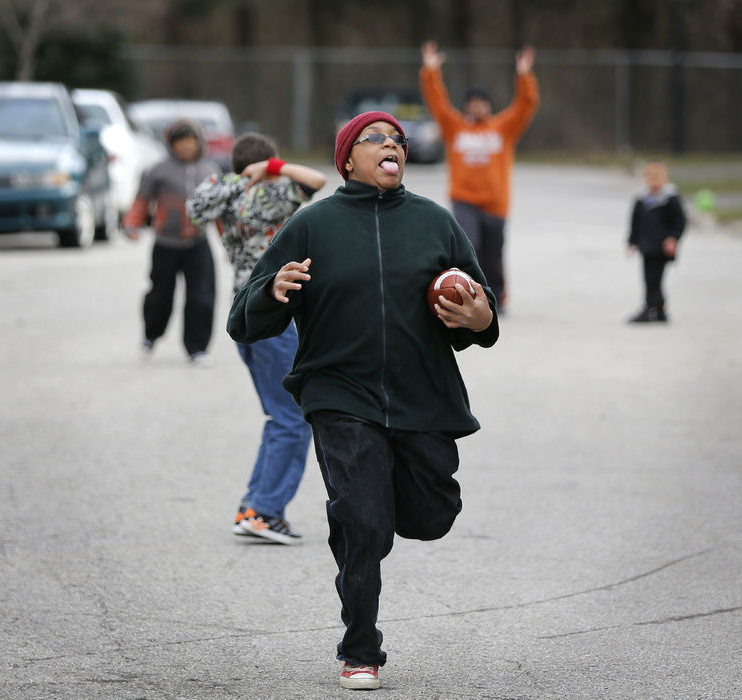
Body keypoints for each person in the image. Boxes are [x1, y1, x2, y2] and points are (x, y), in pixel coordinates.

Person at [227, 111, 499, 690]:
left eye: (398, 139)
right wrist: (273, 293)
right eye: (376, 139)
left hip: (423, 398)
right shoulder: (311, 226)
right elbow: (243, 319)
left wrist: (480, 315)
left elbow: (481, 310)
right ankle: (361, 647)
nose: (392, 144)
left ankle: (364, 509)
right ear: (347, 158)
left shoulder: (435, 224)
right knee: (365, 523)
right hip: (339, 394)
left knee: (431, 517)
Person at [186, 133, 326, 543]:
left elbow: (194, 206)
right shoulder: (268, 195)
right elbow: (317, 180)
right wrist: (274, 170)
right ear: (267, 164)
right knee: (293, 417)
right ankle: (265, 512)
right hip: (272, 313)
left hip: (243, 313)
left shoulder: (223, 193)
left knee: (278, 415)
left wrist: (237, 177)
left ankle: (254, 505)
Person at [419, 40, 540, 314]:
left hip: (495, 203)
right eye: (472, 103)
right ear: (466, 106)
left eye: (481, 102)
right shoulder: (455, 127)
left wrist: (524, 75)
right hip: (464, 201)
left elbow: (525, 105)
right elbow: (437, 102)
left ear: (489, 105)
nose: (477, 107)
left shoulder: (503, 128)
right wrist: (430, 72)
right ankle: (465, 291)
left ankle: (497, 295)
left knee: (493, 254)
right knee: (468, 244)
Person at [122, 119, 219, 365]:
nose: (186, 147)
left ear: (199, 144)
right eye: (181, 143)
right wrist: (132, 224)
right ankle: (151, 335)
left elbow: (220, 211)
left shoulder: (210, 171)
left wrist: (231, 244)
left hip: (197, 243)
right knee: (160, 296)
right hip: (166, 244)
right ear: (171, 145)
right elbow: (142, 201)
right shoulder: (158, 170)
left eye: (191, 142)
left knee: (202, 297)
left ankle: (197, 348)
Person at [626, 161, 687, 323]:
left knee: (656, 278)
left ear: (665, 179)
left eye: (657, 178)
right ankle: (658, 309)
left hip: (662, 247)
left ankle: (650, 308)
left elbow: (679, 222)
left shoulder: (670, 199)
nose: (654, 182)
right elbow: (635, 223)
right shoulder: (642, 199)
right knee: (648, 278)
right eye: (650, 178)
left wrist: (673, 238)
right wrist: (631, 242)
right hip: (646, 246)